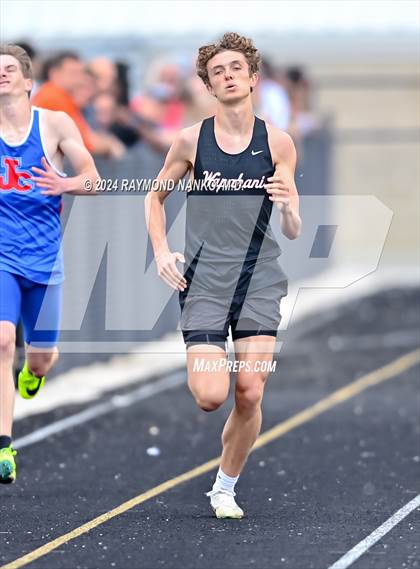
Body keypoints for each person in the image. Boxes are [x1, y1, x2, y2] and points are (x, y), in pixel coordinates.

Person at [145, 32, 301, 518]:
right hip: (205, 280)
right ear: (209, 86)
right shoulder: (191, 140)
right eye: (218, 72)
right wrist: (162, 250)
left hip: (259, 277)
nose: (228, 76)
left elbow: (293, 230)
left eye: (236, 68)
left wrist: (288, 205)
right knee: (211, 397)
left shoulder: (277, 142)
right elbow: (153, 196)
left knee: (250, 390)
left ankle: (224, 486)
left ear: (253, 78)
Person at [0, 44, 100, 484]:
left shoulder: (54, 124)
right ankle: (4, 446)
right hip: (2, 255)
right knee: (2, 340)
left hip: (42, 258)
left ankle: (33, 372)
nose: (1, 76)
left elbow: (94, 180)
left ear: (27, 81)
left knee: (40, 359)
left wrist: (64, 182)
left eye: (8, 70)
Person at [33, 51, 124, 158]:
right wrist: (111, 145)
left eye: (81, 73)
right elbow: (82, 142)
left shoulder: (61, 96)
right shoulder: (53, 96)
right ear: (54, 74)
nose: (79, 79)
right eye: (73, 73)